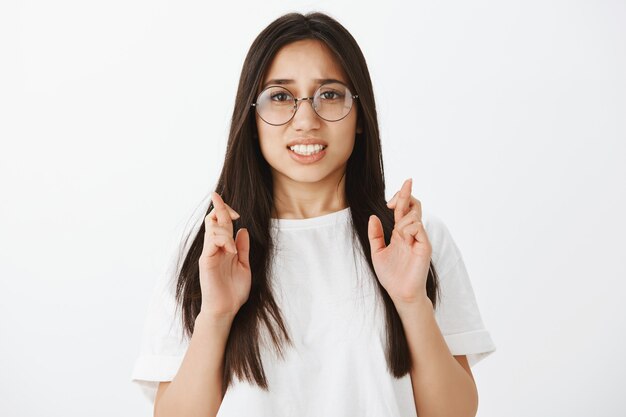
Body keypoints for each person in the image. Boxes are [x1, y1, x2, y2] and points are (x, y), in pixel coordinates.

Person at [131, 11, 496, 417]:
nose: (306, 121)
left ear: (360, 116)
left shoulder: (412, 241)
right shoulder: (211, 248)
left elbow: (454, 412)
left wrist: (411, 301)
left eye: (330, 94)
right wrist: (217, 314)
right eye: (281, 96)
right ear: (252, 118)